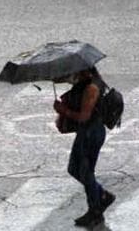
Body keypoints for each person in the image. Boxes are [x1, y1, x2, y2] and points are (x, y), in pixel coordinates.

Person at [53, 67, 116, 228]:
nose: (73, 76)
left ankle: (95, 210)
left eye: (76, 72)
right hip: (86, 132)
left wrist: (63, 110)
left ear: (84, 71)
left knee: (85, 172)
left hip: (91, 133)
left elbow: (84, 116)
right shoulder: (85, 82)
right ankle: (101, 195)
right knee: (74, 169)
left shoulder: (91, 88)